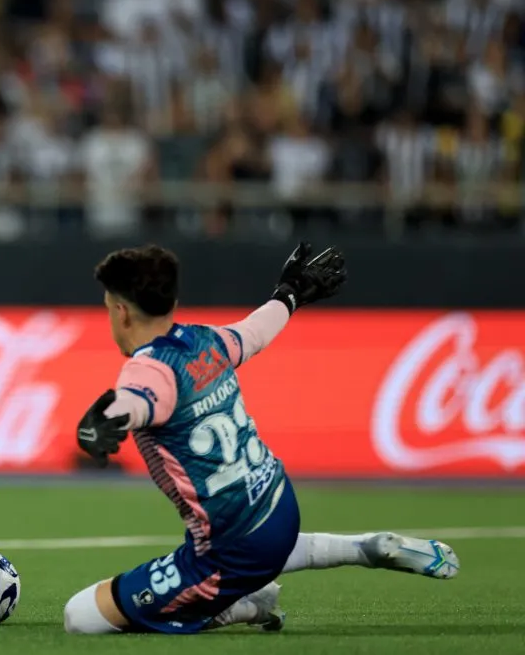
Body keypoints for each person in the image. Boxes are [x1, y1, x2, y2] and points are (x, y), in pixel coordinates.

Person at [64, 244, 460, 634]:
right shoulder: (207, 340)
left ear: (121, 311)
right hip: (278, 504)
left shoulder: (147, 369)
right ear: (173, 302)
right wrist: (289, 294)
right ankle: (363, 547)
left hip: (228, 550)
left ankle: (242, 607)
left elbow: (139, 400)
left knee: (81, 616)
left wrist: (105, 420)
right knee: (256, 544)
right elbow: (255, 331)